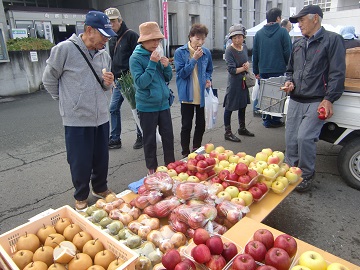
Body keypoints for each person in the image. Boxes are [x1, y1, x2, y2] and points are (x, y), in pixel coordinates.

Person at [42, 11, 117, 210]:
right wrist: (68, 102)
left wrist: (108, 83)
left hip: (101, 116)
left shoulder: (104, 55)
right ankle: (81, 195)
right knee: (80, 161)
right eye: (103, 34)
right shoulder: (64, 49)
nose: (106, 39)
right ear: (89, 30)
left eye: (108, 35)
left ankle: (100, 188)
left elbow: (104, 85)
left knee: (101, 158)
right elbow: (49, 80)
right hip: (76, 119)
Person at [282, 5, 346, 192]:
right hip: (295, 99)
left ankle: (307, 175)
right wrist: (289, 82)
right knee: (291, 139)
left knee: (305, 138)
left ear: (315, 18)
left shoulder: (332, 40)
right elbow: (290, 70)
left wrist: (329, 99)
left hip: (316, 100)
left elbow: (337, 73)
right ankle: (291, 172)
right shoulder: (298, 44)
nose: (299, 25)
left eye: (301, 20)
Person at [129, 22, 175, 175]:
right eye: (153, 40)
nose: (156, 43)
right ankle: (152, 171)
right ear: (143, 40)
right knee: (149, 141)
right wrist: (152, 63)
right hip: (147, 106)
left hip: (163, 104)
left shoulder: (157, 52)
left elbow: (167, 78)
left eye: (158, 40)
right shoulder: (135, 58)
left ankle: (171, 168)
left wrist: (167, 66)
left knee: (168, 137)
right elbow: (141, 83)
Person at [104, 7, 143, 150]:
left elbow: (138, 57)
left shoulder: (131, 35)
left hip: (130, 78)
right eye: (109, 22)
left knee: (136, 107)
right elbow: (113, 59)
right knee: (113, 108)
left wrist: (135, 76)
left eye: (113, 21)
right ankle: (115, 139)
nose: (111, 24)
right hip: (118, 80)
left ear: (120, 20)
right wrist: (112, 76)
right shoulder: (111, 37)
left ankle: (141, 135)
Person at [174, 23, 213, 157]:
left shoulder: (206, 52)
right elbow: (181, 73)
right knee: (186, 125)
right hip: (187, 95)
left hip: (202, 95)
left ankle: (196, 150)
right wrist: (194, 59)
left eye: (203, 39)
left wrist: (208, 79)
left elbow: (209, 69)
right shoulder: (180, 52)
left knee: (201, 124)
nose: (200, 42)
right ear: (190, 37)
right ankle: (185, 152)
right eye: (197, 39)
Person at [252, 7, 292, 128]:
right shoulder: (283, 32)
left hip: (263, 69)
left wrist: (256, 71)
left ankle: (266, 120)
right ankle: (275, 120)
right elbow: (288, 52)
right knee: (278, 96)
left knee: (265, 95)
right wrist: (290, 68)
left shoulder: (258, 34)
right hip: (279, 69)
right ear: (278, 18)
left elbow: (255, 54)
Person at [223, 24, 254, 142]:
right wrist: (244, 68)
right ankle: (228, 132)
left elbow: (245, 61)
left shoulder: (244, 47)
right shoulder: (229, 50)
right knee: (229, 107)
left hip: (243, 81)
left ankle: (242, 128)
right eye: (234, 37)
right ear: (231, 38)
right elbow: (231, 70)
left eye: (239, 37)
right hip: (234, 82)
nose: (237, 40)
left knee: (242, 105)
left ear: (243, 37)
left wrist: (247, 65)